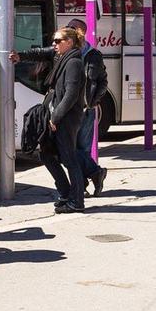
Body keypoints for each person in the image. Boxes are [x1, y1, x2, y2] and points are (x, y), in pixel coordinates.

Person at [11, 18, 109, 196]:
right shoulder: (61, 53)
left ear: (79, 34)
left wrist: (94, 101)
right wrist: (20, 56)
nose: (56, 43)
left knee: (78, 149)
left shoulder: (91, 56)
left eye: (73, 29)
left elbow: (102, 81)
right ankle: (91, 176)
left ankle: (80, 188)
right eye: (68, 28)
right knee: (64, 151)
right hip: (65, 109)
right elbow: (41, 53)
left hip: (85, 110)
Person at [39, 26, 88, 213]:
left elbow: (71, 94)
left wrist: (56, 117)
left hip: (66, 119)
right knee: (46, 154)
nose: (54, 44)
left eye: (58, 41)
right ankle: (66, 193)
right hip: (59, 117)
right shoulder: (63, 60)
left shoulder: (74, 62)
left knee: (69, 159)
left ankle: (76, 201)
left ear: (69, 42)